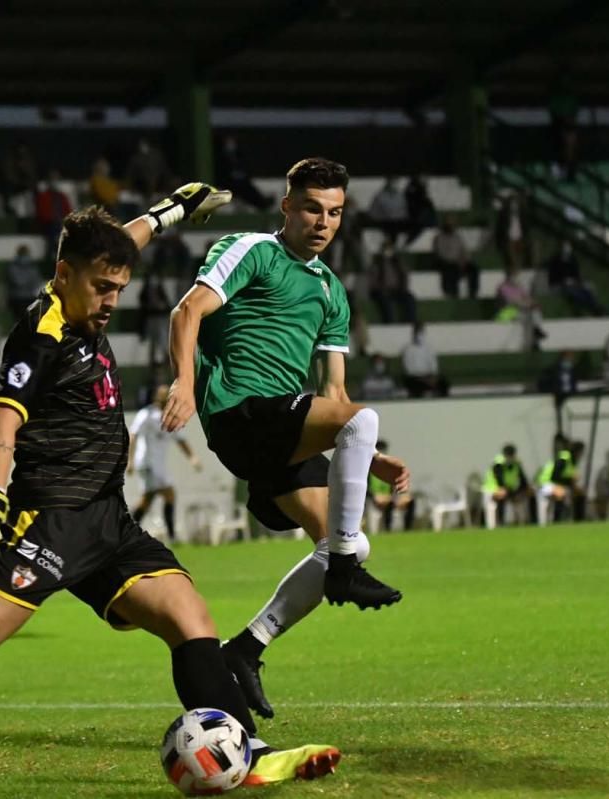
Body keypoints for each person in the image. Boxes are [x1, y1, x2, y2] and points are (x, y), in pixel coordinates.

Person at [0, 199, 341, 785]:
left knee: (188, 615)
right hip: (51, 518)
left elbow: (123, 242)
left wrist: (171, 212)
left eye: (119, 287)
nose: (112, 300)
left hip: (108, 516)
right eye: (102, 287)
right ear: (63, 274)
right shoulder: (39, 337)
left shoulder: (90, 291)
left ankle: (248, 751)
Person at [164, 158, 410, 721]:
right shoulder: (253, 250)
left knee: (346, 541)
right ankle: (346, 571)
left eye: (335, 213)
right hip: (240, 411)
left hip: (280, 426)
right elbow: (187, 312)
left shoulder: (331, 292)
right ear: (287, 206)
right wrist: (181, 383)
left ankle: (245, 649)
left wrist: (367, 459)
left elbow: (336, 394)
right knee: (347, 536)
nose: (323, 222)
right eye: (312, 208)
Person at [127, 386, 203, 542]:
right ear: (157, 398)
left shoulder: (170, 416)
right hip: (147, 463)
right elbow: (133, 435)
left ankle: (127, 533)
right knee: (168, 494)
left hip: (158, 466)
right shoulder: (146, 415)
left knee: (148, 499)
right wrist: (130, 461)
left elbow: (180, 439)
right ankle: (171, 536)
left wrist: (192, 457)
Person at [546, 240, 604, 316]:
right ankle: (592, 309)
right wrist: (564, 281)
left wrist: (577, 281)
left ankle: (595, 307)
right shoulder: (555, 261)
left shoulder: (573, 260)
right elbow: (553, 277)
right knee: (574, 293)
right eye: (565, 247)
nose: (567, 249)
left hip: (574, 283)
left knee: (587, 290)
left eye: (568, 247)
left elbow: (577, 275)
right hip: (560, 285)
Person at [496, 266, 547, 350]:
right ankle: (535, 338)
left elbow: (526, 297)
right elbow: (513, 302)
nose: (515, 277)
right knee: (530, 314)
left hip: (519, 310)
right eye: (513, 275)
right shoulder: (503, 287)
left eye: (516, 275)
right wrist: (529, 305)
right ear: (508, 275)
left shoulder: (519, 286)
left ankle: (536, 335)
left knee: (534, 312)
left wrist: (534, 303)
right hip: (505, 313)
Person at [367, 440, 414, 531]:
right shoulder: (367, 470)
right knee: (389, 504)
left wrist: (402, 495)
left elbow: (396, 484)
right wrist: (374, 496)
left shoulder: (389, 468)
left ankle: (408, 530)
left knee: (410, 501)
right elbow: (365, 489)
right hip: (375, 499)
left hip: (389, 497)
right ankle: (388, 529)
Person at [536, 437, 586, 522]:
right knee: (561, 493)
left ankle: (577, 520)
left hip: (554, 484)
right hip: (544, 484)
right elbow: (555, 476)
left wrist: (573, 484)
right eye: (581, 452)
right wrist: (571, 479)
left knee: (579, 493)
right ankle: (557, 520)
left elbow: (567, 479)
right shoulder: (564, 458)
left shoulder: (572, 461)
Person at [215, 135, 270, 211]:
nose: (231, 143)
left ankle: (262, 204)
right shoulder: (218, 155)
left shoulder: (238, 154)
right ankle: (262, 204)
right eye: (228, 141)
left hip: (239, 181)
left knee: (247, 186)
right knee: (243, 187)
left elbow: (243, 168)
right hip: (227, 182)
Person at [482, 444, 532, 527]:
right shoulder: (498, 464)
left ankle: (522, 523)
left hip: (508, 489)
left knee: (520, 498)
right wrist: (504, 490)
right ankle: (496, 525)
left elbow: (523, 480)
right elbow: (499, 480)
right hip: (491, 490)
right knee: (500, 497)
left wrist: (523, 490)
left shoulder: (516, 464)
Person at [368, 240, 417, 323]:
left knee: (409, 298)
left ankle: (410, 321)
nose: (388, 251)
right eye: (386, 249)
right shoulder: (377, 263)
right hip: (382, 291)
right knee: (386, 302)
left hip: (396, 290)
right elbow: (373, 280)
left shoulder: (397, 262)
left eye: (390, 249)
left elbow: (404, 276)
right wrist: (381, 289)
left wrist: (403, 288)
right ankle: (390, 323)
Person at [432, 217, 479, 299]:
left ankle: (473, 294)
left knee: (473, 268)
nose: (451, 226)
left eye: (452, 224)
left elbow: (465, 251)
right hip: (446, 263)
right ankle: (454, 295)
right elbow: (442, 254)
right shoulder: (439, 237)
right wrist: (457, 261)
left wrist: (464, 261)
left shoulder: (458, 237)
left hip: (459, 263)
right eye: (449, 224)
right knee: (452, 268)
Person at [401, 321, 448, 397]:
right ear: (413, 333)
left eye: (421, 331)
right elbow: (409, 369)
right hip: (415, 377)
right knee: (415, 385)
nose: (419, 334)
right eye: (417, 332)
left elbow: (434, 365)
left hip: (429, 376)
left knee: (443, 383)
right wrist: (423, 379)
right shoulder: (408, 349)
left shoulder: (429, 348)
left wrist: (432, 377)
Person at [35, 170, 73, 260]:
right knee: (54, 232)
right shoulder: (42, 196)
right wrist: (54, 220)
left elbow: (68, 212)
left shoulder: (62, 196)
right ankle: (53, 255)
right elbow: (41, 214)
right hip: (48, 225)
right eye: (52, 179)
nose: (54, 181)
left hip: (60, 224)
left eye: (56, 179)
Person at [6, 245, 42, 314]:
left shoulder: (32, 266)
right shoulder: (13, 267)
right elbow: (18, 281)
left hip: (28, 297)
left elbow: (37, 282)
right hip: (17, 298)